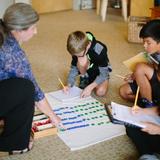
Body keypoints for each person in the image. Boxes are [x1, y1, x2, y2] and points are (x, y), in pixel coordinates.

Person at [0, 3, 62, 154]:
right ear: (18, 30)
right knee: (25, 88)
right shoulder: (12, 54)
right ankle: (15, 144)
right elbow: (36, 92)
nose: (36, 32)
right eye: (33, 28)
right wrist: (53, 116)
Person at [119, 19, 160, 159]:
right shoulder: (154, 58)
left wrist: (158, 129)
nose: (144, 46)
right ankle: (147, 155)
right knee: (132, 126)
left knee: (148, 130)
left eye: (148, 42)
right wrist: (143, 111)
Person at [65, 31, 112, 98]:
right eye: (76, 55)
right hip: (88, 69)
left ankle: (91, 80)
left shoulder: (99, 50)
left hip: (99, 70)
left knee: (100, 92)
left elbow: (103, 73)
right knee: (81, 61)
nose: (77, 57)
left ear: (88, 46)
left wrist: (90, 87)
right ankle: (84, 76)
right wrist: (69, 84)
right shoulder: (77, 49)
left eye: (80, 55)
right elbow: (74, 68)